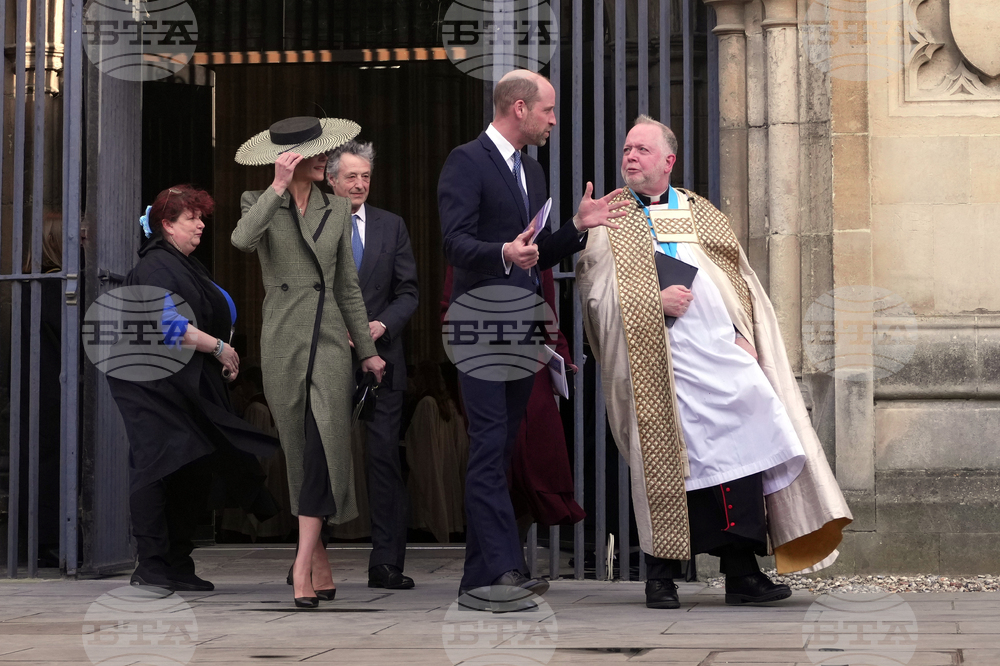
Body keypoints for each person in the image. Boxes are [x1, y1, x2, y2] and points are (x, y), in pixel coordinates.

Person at [577, 116, 853, 609]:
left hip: (719, 360)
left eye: (641, 149)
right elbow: (597, 298)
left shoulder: (700, 212)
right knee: (665, 464)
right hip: (657, 363)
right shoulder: (609, 217)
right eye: (626, 149)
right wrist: (650, 302)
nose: (630, 157)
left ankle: (742, 572)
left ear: (669, 160)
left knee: (743, 454)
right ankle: (660, 577)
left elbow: (737, 280)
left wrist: (744, 335)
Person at [437, 69, 627, 599]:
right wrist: (501, 252)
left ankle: (489, 572)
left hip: (521, 329)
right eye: (547, 109)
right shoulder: (465, 161)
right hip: (478, 326)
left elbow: (536, 253)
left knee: (500, 453)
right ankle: (498, 570)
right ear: (518, 108)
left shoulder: (534, 172)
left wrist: (577, 227)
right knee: (489, 445)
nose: (553, 120)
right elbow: (454, 242)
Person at [232, 117, 386, 608]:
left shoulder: (338, 209)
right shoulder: (259, 203)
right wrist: (277, 187)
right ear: (288, 158)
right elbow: (241, 241)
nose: (326, 157)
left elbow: (347, 288)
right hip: (282, 342)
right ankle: (318, 557)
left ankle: (299, 567)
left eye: (325, 150)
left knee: (323, 446)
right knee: (299, 453)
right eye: (315, 151)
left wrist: (368, 351)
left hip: (328, 346)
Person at [107, 185, 280, 593]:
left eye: (202, 217)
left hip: (184, 380)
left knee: (193, 465)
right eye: (192, 218)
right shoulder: (154, 267)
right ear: (166, 225)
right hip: (152, 384)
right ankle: (150, 566)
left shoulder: (184, 265)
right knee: (158, 465)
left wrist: (219, 354)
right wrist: (220, 348)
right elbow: (167, 327)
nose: (201, 225)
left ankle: (178, 562)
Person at [326, 140, 419, 590]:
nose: (360, 184)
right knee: (323, 458)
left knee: (383, 461)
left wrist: (380, 325)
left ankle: (386, 563)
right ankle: (311, 557)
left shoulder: (391, 225)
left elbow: (409, 292)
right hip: (328, 356)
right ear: (331, 180)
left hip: (383, 360)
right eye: (351, 177)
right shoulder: (315, 223)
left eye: (365, 176)